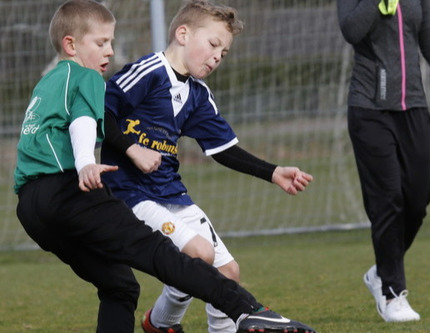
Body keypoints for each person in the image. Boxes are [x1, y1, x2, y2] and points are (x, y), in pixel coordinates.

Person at [13, 1, 316, 333]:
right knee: (165, 255)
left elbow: (223, 148)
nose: (111, 52)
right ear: (182, 33)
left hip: (34, 204)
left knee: (125, 285)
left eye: (224, 52)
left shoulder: (50, 83)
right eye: (102, 43)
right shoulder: (100, 75)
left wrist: (272, 171)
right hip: (98, 192)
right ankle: (244, 309)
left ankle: (184, 321)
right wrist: (106, 156)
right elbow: (91, 117)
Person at [337, 0, 430, 323]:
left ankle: (381, 271)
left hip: (414, 107)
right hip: (369, 109)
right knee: (387, 199)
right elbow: (351, 30)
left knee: (418, 200)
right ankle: (392, 293)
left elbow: (429, 42)